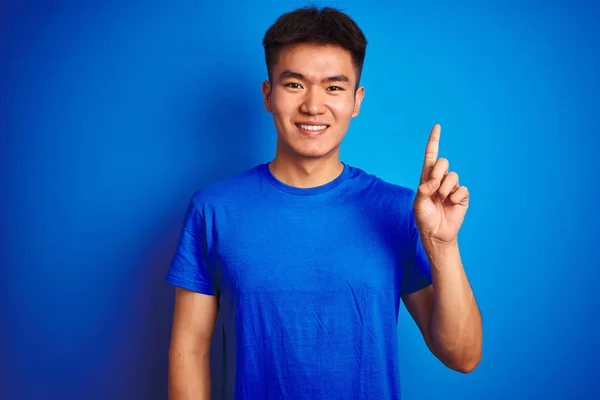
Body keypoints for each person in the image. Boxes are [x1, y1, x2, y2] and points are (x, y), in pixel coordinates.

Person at [165, 5, 482, 400]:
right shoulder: (213, 211)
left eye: (333, 87)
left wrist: (443, 246)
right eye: (294, 84)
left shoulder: (401, 211)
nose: (313, 106)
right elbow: (190, 351)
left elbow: (462, 355)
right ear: (268, 93)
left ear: (356, 100)